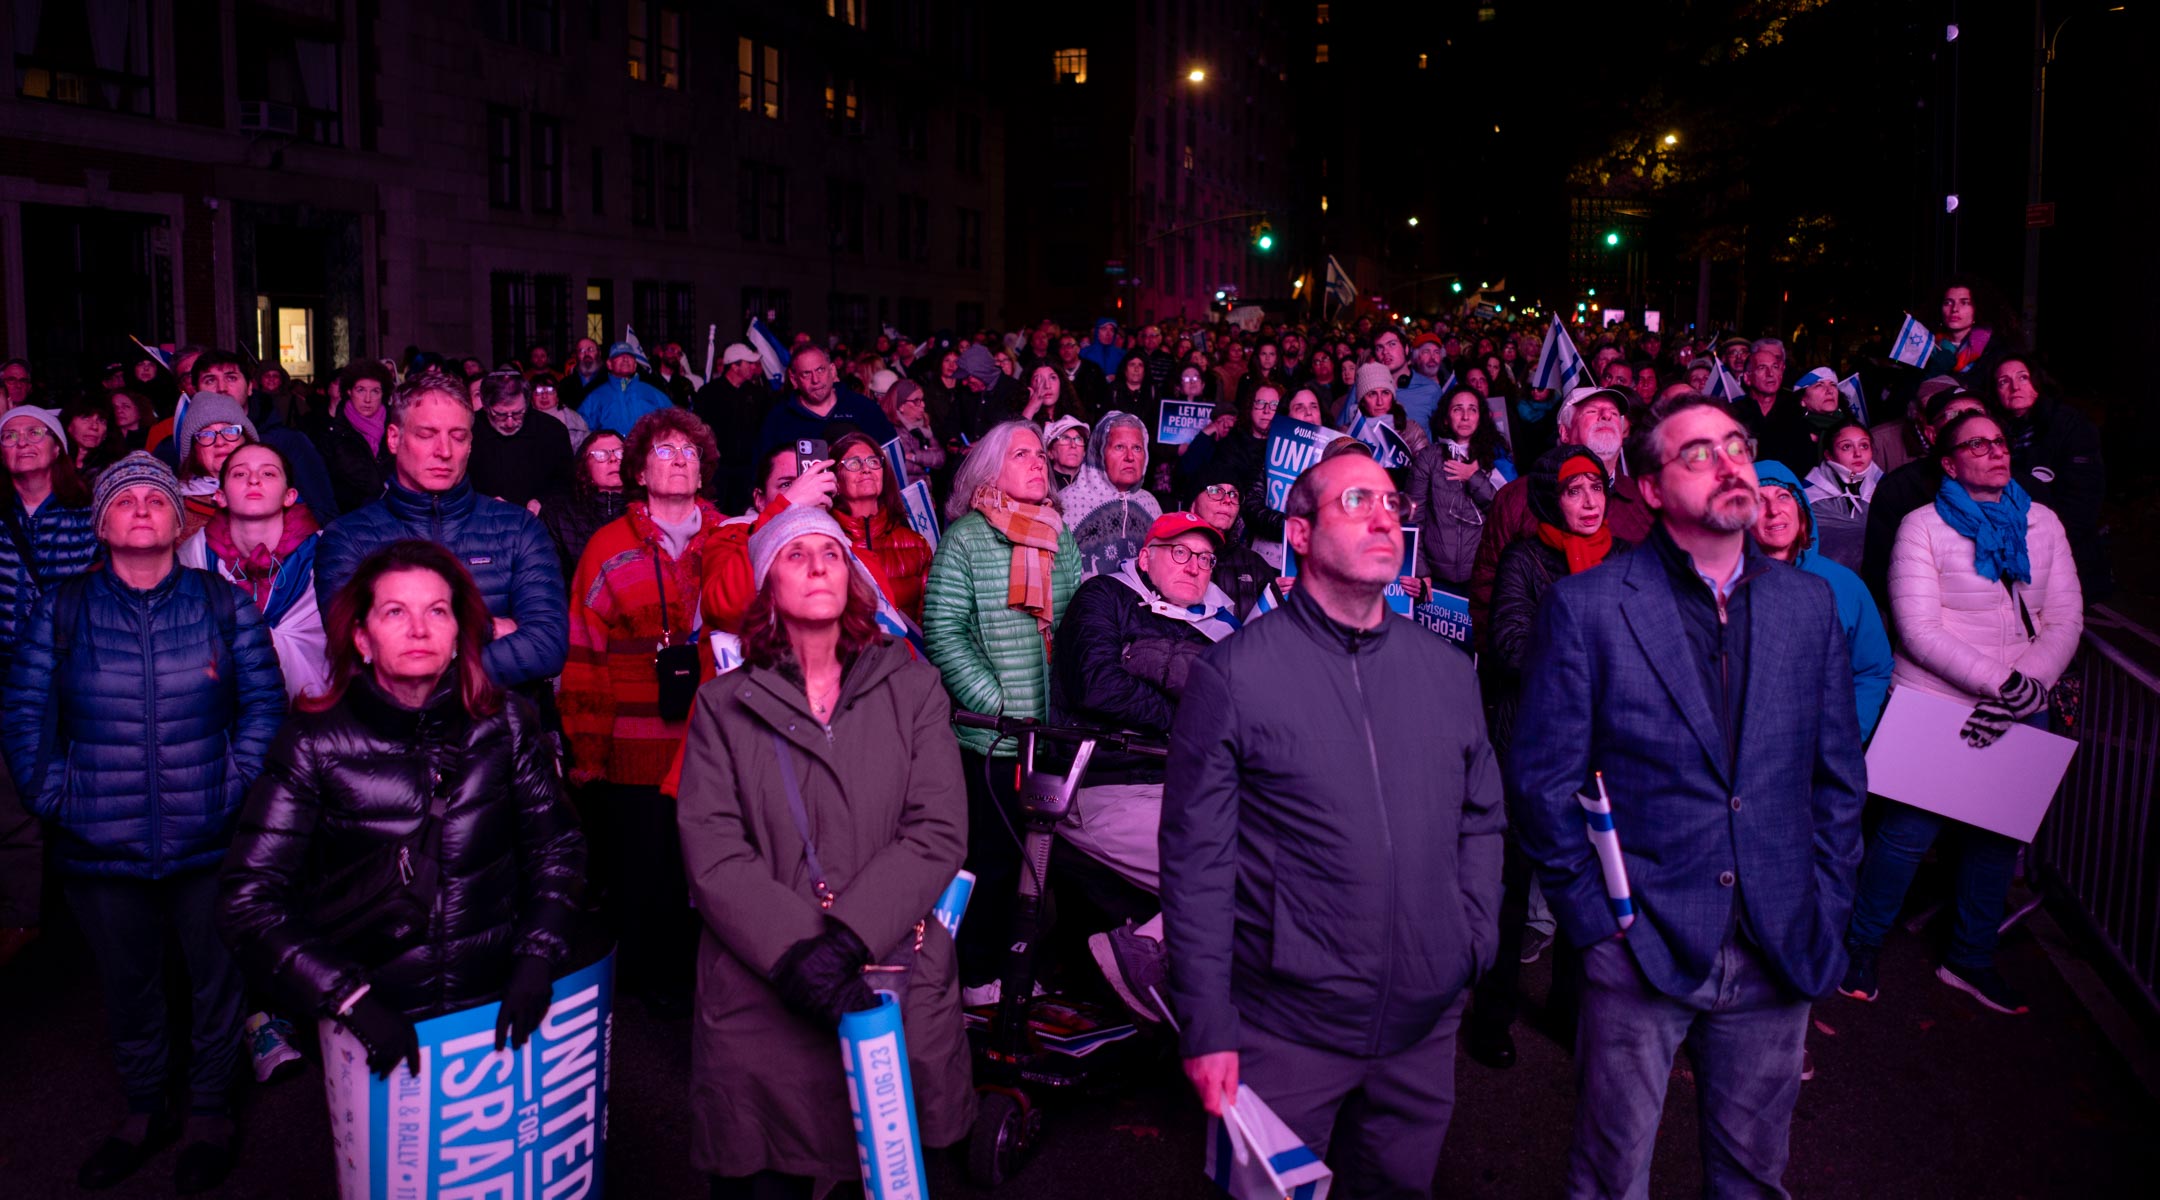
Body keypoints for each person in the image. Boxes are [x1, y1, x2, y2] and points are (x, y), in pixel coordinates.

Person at [1508, 393, 1866, 1198]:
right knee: (1610, 1176)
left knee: (1751, 1176)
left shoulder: (1808, 607)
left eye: (1736, 445)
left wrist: (1827, 903)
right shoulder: (1589, 606)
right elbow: (1541, 782)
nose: (1731, 463)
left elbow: (1838, 779)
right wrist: (1599, 927)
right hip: (1642, 945)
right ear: (1650, 487)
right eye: (1697, 453)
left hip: (1779, 940)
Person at [1163, 452, 1502, 1197]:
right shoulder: (1236, 676)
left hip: (1421, 1028)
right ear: (1302, 533)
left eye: (1392, 501)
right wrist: (1208, 1022)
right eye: (1357, 500)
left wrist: (1470, 942)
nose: (1386, 515)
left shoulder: (1445, 671)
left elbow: (1481, 816)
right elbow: (1198, 863)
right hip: (1286, 1029)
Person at [3, 452, 284, 1193]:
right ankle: (141, 1111)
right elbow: (27, 716)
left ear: (176, 519)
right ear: (100, 523)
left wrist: (236, 781)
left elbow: (263, 706)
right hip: (100, 841)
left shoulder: (222, 605)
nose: (139, 509)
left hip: (209, 832)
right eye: (122, 500)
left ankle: (210, 1116)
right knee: (129, 986)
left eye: (154, 501)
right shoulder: (61, 608)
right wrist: (58, 798)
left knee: (215, 982)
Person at [676, 503, 974, 1198]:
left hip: (891, 976)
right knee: (767, 1171)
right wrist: (796, 951)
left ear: (854, 578)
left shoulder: (914, 688)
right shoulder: (722, 705)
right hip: (763, 990)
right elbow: (714, 849)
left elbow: (936, 829)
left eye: (833, 552)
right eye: (793, 554)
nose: (817, 565)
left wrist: (844, 942)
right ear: (765, 588)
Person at [217, 539, 585, 1086]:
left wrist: (537, 957)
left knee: (494, 1163)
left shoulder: (506, 723)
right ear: (361, 639)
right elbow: (248, 898)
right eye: (396, 612)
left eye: (437, 611)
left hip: (495, 1006)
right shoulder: (313, 743)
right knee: (394, 1169)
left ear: (459, 633)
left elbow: (557, 849)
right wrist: (349, 999)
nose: (419, 629)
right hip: (374, 1018)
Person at [1840, 410, 2082, 1015]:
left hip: (2021, 701)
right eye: (1978, 444)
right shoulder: (1921, 526)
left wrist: (2031, 687)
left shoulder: (2043, 523)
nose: (1996, 451)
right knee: (1905, 835)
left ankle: (1969, 960)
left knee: (1996, 839)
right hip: (1937, 701)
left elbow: (2064, 618)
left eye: (2000, 442)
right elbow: (1919, 630)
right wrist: (2004, 685)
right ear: (1949, 463)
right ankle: (1860, 946)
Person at [1474, 444, 1631, 1069]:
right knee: (1511, 890)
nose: (1590, 501)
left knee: (1584, 892)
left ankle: (1568, 1011)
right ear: (1549, 496)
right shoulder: (1526, 558)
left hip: (1602, 752)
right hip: (1530, 745)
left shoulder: (1626, 560)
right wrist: (1597, 661)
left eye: (1596, 487)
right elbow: (1510, 646)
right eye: (1574, 490)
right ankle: (1492, 1016)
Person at [561, 409, 723, 1016]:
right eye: (664, 450)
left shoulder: (728, 537)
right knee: (643, 872)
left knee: (707, 869)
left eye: (689, 450)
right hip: (633, 740)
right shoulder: (608, 546)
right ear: (639, 469)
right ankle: (647, 1000)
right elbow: (583, 651)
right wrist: (589, 750)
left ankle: (700, 985)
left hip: (713, 741)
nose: (679, 459)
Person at [1054, 512, 1243, 1021]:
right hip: (1106, 784)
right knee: (1241, 868)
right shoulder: (1104, 597)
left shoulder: (1214, 632)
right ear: (1146, 557)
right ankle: (1142, 952)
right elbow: (1096, 684)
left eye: (1205, 559)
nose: (1195, 566)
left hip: (1181, 787)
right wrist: (1183, 718)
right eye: (1180, 552)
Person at [920, 420, 1079, 992]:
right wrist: (999, 703)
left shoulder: (1061, 534)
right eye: (1021, 454)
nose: (1038, 462)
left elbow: (1075, 629)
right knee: (987, 860)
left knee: (1035, 867)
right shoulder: (965, 537)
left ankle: (1020, 974)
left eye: (1041, 453)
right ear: (992, 470)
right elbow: (941, 630)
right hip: (991, 736)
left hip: (1049, 735)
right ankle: (977, 974)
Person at [315, 370, 568, 691]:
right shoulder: (350, 538)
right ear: (394, 438)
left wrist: (421, 668)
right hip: (395, 737)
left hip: (504, 732)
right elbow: (352, 648)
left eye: (458, 436)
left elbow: (545, 647)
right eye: (426, 434)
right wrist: (486, 628)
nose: (444, 451)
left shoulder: (517, 528)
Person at [0, 405, 101, 966]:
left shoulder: (84, 512)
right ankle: (21, 915)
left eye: (34, 432)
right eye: (9, 435)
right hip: (6, 673)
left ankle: (88, 918)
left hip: (69, 672)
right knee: (11, 797)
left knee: (76, 788)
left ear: (58, 446)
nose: (21, 442)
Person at [1468, 387, 1654, 638]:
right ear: (1565, 433)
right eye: (1593, 411)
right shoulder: (1516, 498)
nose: (1607, 416)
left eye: (1613, 413)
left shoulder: (1645, 499)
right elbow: (1486, 593)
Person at [1753, 461, 1893, 740]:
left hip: (1828, 745)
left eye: (1784, 496)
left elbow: (1872, 669)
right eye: (1758, 501)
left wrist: (1847, 733)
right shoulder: (1724, 587)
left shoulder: (1844, 584)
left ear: (1801, 509)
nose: (1774, 510)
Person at [179, 443, 330, 700]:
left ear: (290, 496)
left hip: (312, 716)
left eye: (268, 473)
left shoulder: (323, 553)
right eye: (239, 474)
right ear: (221, 496)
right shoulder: (194, 556)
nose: (253, 480)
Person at [1861, 388, 1990, 618]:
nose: (1968, 420)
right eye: (1954, 415)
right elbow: (1880, 575)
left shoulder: (2022, 488)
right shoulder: (1898, 490)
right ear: (1931, 433)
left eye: (1975, 412)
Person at [1993, 354, 2107, 598]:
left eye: (2022, 377)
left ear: (2037, 382)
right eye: (2004, 381)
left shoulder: (2068, 425)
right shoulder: (1994, 430)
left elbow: (2082, 500)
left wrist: (2047, 548)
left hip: (2063, 551)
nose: (2015, 387)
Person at [1409, 386, 1513, 594]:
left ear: (1480, 417)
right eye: (1458, 409)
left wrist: (1473, 478)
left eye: (1472, 409)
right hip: (1436, 576)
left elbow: (1504, 514)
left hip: (1481, 575)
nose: (1465, 416)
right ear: (1446, 418)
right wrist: (1420, 571)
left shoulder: (1496, 457)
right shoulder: (1428, 458)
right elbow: (1413, 518)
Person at [828, 430, 934, 621]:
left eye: (873, 461)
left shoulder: (917, 545)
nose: (866, 468)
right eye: (853, 463)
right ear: (834, 478)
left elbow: (930, 622)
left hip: (906, 650)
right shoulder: (825, 543)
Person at [1057, 410, 1162, 579]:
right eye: (1119, 447)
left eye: (1137, 448)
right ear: (1099, 454)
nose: (1130, 457)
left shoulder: (1150, 504)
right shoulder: (1067, 502)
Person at [757, 345, 898, 456]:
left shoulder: (864, 408)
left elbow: (894, 459)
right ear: (794, 380)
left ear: (832, 371)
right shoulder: (779, 419)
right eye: (806, 373)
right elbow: (763, 476)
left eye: (820, 370)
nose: (815, 380)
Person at [468, 371, 574, 508]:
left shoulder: (552, 430)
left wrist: (542, 501)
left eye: (518, 413)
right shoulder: (468, 430)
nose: (510, 423)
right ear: (485, 406)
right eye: (500, 414)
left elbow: (566, 483)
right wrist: (482, 501)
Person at [538, 430, 629, 580]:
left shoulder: (647, 507)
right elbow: (547, 576)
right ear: (585, 465)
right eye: (601, 454)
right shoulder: (558, 513)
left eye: (620, 453)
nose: (613, 459)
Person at [1189, 478, 1279, 619]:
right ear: (1193, 504)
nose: (1227, 500)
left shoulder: (1255, 564)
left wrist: (1272, 597)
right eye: (1215, 491)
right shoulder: (1167, 554)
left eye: (1234, 494)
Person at [1802, 419, 1882, 574]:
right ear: (1829, 455)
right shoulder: (1807, 496)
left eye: (1864, 446)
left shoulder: (1888, 491)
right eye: (1847, 447)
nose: (1858, 453)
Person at [176, 393, 259, 541]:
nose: (220, 442)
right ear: (194, 450)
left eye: (230, 431)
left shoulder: (276, 492)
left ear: (246, 439)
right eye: (206, 434)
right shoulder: (174, 509)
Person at [320, 360, 398, 514]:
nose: (367, 399)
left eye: (375, 391)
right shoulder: (332, 433)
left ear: (383, 394)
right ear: (349, 391)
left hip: (396, 514)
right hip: (350, 518)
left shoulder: (397, 428)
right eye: (361, 390)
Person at [578, 342, 674, 437]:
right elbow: (580, 431)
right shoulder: (596, 397)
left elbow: (674, 422)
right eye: (619, 356)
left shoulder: (653, 393)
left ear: (635, 365)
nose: (625, 359)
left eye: (630, 356)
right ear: (609, 364)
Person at [878, 379, 946, 492]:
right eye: (916, 401)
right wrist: (927, 464)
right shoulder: (892, 431)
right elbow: (900, 466)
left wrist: (915, 456)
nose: (923, 405)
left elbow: (940, 457)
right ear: (901, 406)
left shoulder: (924, 427)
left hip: (925, 490)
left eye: (922, 400)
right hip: (904, 493)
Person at [529, 374, 591, 452]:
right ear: (531, 397)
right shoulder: (522, 420)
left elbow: (585, 450)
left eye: (550, 391)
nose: (544, 396)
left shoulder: (574, 420)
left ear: (557, 395)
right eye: (538, 391)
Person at [558, 337, 609, 409]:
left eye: (590, 349)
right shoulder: (565, 385)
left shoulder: (610, 380)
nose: (586, 354)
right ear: (576, 355)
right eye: (581, 351)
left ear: (599, 353)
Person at [1043, 414, 1089, 490]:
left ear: (1084, 452)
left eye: (1078, 439)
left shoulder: (1095, 484)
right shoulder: (1044, 486)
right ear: (1050, 452)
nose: (1073, 445)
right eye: (1065, 438)